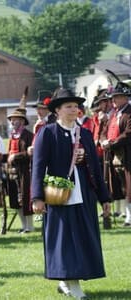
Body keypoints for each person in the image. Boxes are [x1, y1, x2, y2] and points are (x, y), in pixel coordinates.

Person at [32, 88, 111, 298]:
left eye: (76, 106)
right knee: (64, 240)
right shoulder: (47, 133)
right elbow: (38, 167)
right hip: (59, 196)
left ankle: (66, 282)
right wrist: (37, 197)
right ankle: (73, 286)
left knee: (82, 238)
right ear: (57, 110)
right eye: (68, 106)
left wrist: (104, 197)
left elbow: (95, 166)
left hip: (83, 193)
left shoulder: (84, 133)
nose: (73, 110)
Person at [0, 106, 34, 233]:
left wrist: (15, 156)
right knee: (15, 200)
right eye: (11, 120)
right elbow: (10, 155)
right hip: (12, 172)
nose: (12, 122)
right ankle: (24, 226)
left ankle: (30, 226)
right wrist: (2, 157)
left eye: (15, 119)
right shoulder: (13, 136)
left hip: (25, 171)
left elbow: (31, 153)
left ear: (22, 121)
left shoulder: (29, 135)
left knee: (25, 198)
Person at [101, 80, 131, 226]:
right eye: (113, 97)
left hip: (128, 154)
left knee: (130, 187)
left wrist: (111, 143)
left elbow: (128, 133)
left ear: (125, 98)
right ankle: (127, 216)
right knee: (124, 187)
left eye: (117, 97)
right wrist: (102, 140)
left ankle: (129, 217)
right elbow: (105, 131)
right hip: (117, 156)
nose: (113, 100)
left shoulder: (129, 113)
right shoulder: (114, 114)